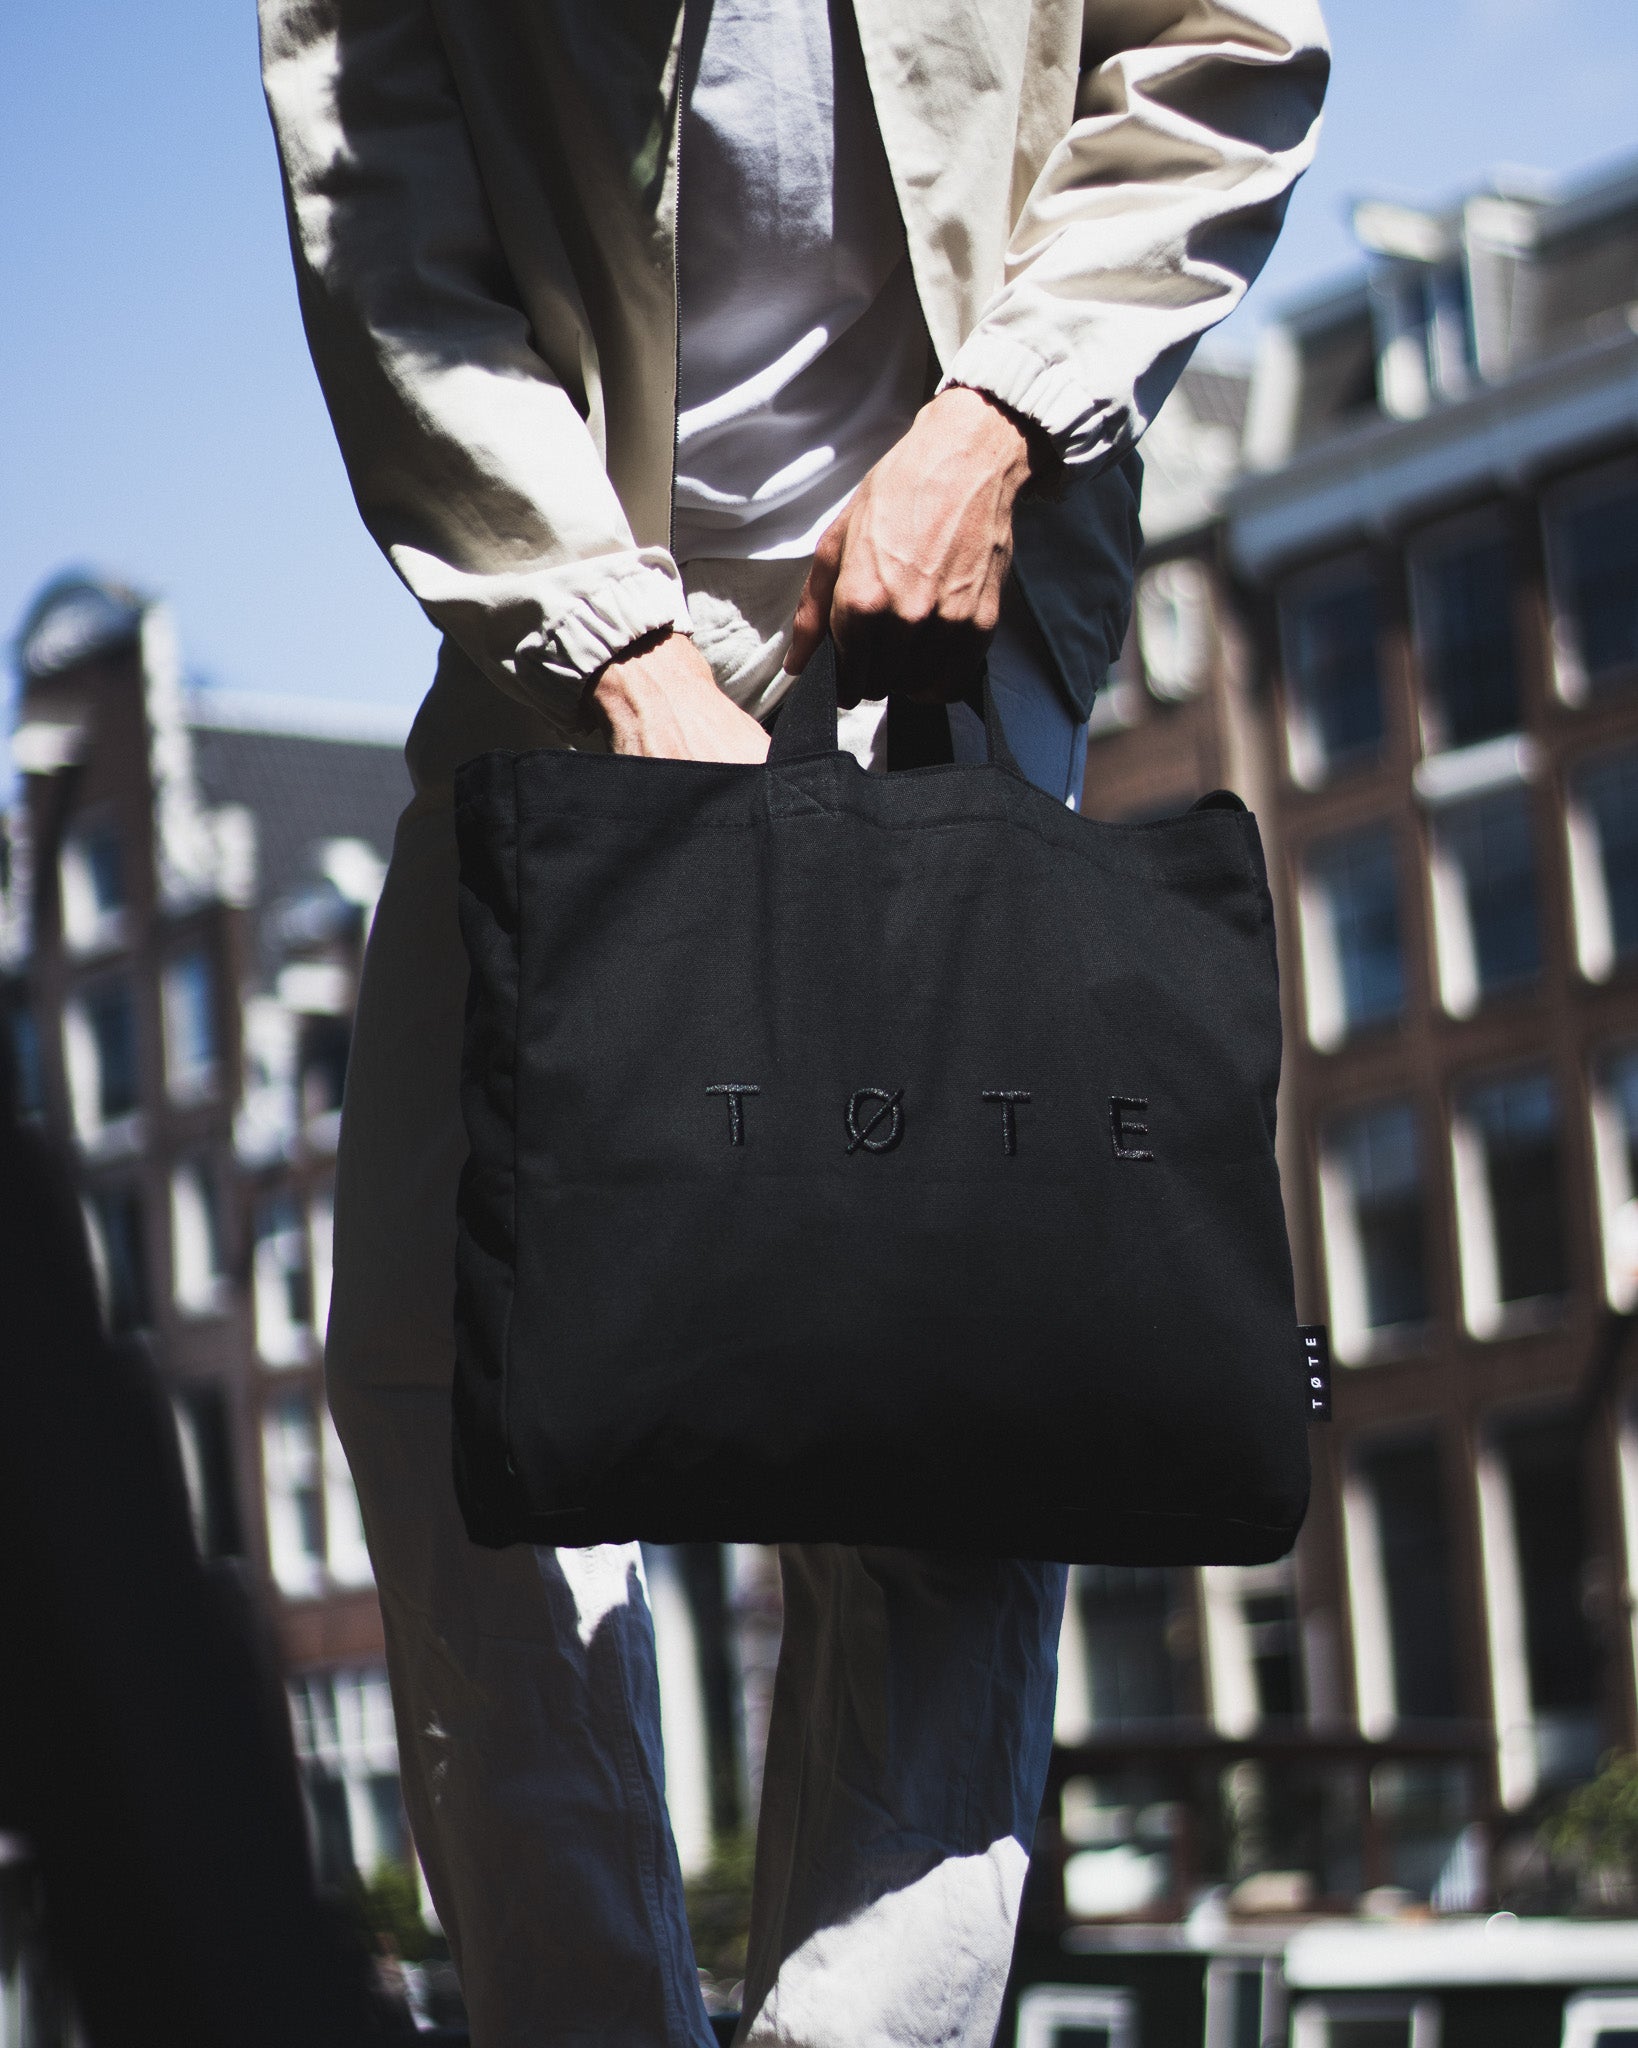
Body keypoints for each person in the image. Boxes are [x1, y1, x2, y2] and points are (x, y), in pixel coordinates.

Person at [257, 3, 1329, 2042]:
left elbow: (1233, 37)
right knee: (434, 1359)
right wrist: (606, 634)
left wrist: (1000, 413)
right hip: (558, 644)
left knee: (952, 1431)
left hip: (945, 622)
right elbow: (379, 217)